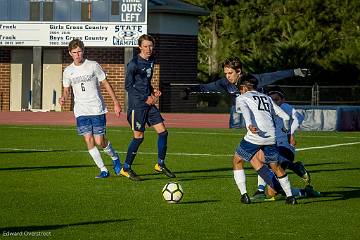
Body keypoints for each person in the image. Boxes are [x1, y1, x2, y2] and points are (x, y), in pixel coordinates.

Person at [184, 57, 310, 128]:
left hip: (268, 120)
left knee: (246, 159)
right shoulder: (224, 83)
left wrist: (295, 72)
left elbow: (274, 75)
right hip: (253, 123)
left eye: (230, 73)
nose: (227, 76)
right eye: (226, 73)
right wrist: (189, 90)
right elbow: (205, 87)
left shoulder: (253, 80)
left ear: (238, 71)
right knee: (259, 159)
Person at [59, 39, 122, 179]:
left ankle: (115, 157)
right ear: (70, 53)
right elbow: (66, 90)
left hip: (96, 109)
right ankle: (103, 170)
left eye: (79, 51)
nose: (77, 55)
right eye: (74, 52)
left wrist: (116, 102)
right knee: (88, 139)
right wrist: (63, 98)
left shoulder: (93, 66)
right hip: (81, 111)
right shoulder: (68, 71)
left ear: (83, 51)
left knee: (100, 141)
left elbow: (106, 83)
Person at [233, 74, 297, 205]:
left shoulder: (242, 97)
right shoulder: (267, 97)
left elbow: (244, 110)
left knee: (237, 160)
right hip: (271, 137)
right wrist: (285, 129)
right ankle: (290, 197)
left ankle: (244, 195)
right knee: (275, 166)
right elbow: (284, 116)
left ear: (245, 87)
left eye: (241, 87)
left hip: (255, 136)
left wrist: (249, 124)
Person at [121, 34, 175, 181]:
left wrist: (153, 91)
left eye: (150, 46)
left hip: (149, 105)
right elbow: (128, 86)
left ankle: (160, 164)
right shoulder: (133, 64)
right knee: (139, 138)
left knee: (163, 132)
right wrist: (146, 97)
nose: (148, 49)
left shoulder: (151, 60)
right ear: (140, 47)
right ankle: (125, 168)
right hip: (137, 106)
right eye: (145, 46)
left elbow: (144, 82)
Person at [252, 86, 321, 199]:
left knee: (263, 159)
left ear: (283, 100)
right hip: (271, 147)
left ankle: (260, 190)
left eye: (276, 99)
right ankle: (304, 192)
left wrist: (291, 132)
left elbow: (298, 117)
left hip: (284, 148)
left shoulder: (284, 107)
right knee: (272, 192)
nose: (274, 101)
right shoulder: (265, 108)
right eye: (271, 99)